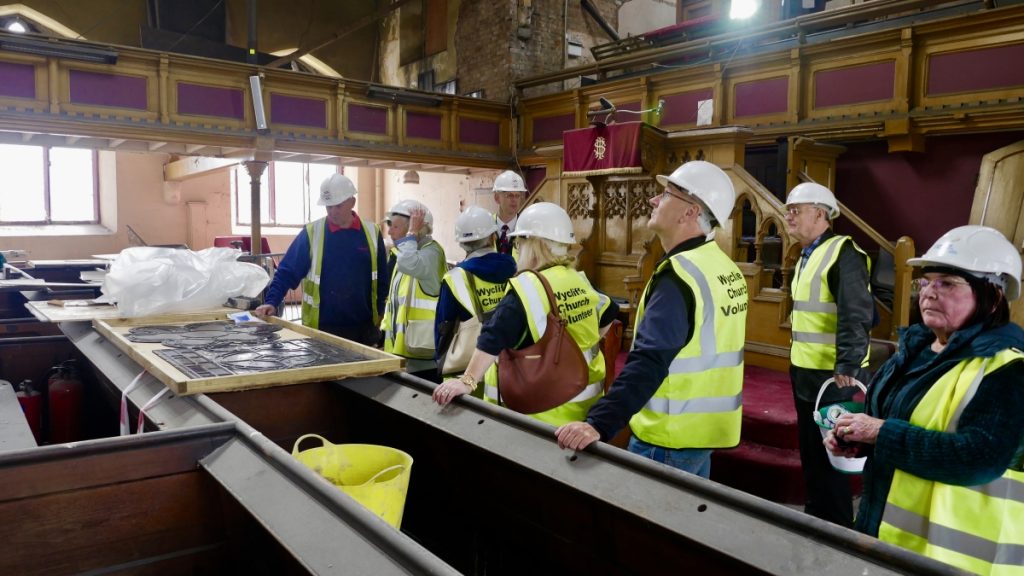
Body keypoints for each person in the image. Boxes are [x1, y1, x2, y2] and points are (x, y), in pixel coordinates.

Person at [826, 225, 1024, 575]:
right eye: (926, 281)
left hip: (955, 556)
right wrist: (857, 439)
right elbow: (895, 419)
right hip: (886, 532)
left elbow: (980, 458)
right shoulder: (916, 349)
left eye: (947, 283)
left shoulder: (1008, 369)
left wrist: (879, 434)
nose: (929, 293)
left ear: (992, 296)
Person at [555, 161, 746, 479]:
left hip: (669, 435)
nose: (653, 200)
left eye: (667, 194)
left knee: (642, 526)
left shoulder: (680, 276)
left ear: (689, 211)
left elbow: (649, 360)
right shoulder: (724, 268)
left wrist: (598, 423)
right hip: (704, 431)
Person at [433, 202, 618, 427]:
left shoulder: (528, 287)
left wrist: (468, 380)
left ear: (534, 245)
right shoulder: (577, 278)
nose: (517, 249)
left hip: (542, 412)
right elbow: (609, 313)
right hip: (585, 410)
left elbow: (492, 336)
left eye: (520, 243)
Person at [784, 182, 874, 527]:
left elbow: (856, 315)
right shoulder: (806, 255)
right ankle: (816, 516)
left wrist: (848, 369)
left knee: (832, 456)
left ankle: (835, 527)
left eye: (796, 210)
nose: (789, 217)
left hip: (836, 377)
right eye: (789, 210)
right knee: (810, 451)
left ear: (819, 213)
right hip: (805, 371)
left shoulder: (844, 253)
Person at [255, 173, 386, 345]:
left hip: (364, 327)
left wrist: (381, 313)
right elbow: (287, 271)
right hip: (322, 328)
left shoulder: (371, 232)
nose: (333, 212)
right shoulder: (312, 233)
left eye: (338, 206)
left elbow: (383, 278)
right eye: (328, 207)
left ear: (352, 202)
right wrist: (272, 301)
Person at [434, 206, 517, 387]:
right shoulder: (514, 267)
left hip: (464, 373)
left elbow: (443, 328)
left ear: (462, 243)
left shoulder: (454, 278)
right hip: (509, 365)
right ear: (493, 237)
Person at [381, 199, 447, 382]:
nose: (390, 232)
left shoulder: (431, 254)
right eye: (389, 226)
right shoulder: (403, 254)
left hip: (423, 358)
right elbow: (395, 303)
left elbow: (409, 262)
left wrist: (412, 233)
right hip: (401, 355)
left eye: (396, 227)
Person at [492, 170, 526, 256]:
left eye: (517, 195)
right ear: (496, 198)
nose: (514, 200)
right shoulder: (486, 226)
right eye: (509, 195)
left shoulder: (528, 229)